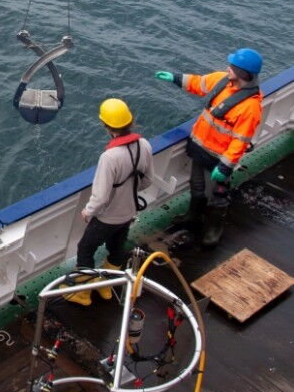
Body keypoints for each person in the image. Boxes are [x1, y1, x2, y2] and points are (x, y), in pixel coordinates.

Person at [155, 48, 263, 247]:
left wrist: (224, 167)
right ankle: (192, 217)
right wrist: (175, 78)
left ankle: (214, 229)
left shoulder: (250, 107)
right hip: (200, 149)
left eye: (233, 67)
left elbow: (240, 141)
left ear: (243, 73)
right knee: (197, 187)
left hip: (219, 159)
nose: (228, 68)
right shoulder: (222, 80)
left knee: (218, 196)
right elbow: (198, 82)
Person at [62, 98, 154, 306]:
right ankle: (106, 285)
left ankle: (83, 293)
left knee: (85, 248)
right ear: (130, 122)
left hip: (108, 217)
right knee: (117, 247)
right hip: (129, 212)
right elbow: (147, 180)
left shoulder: (110, 157)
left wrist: (88, 211)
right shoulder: (144, 145)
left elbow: (101, 196)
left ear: (107, 126)